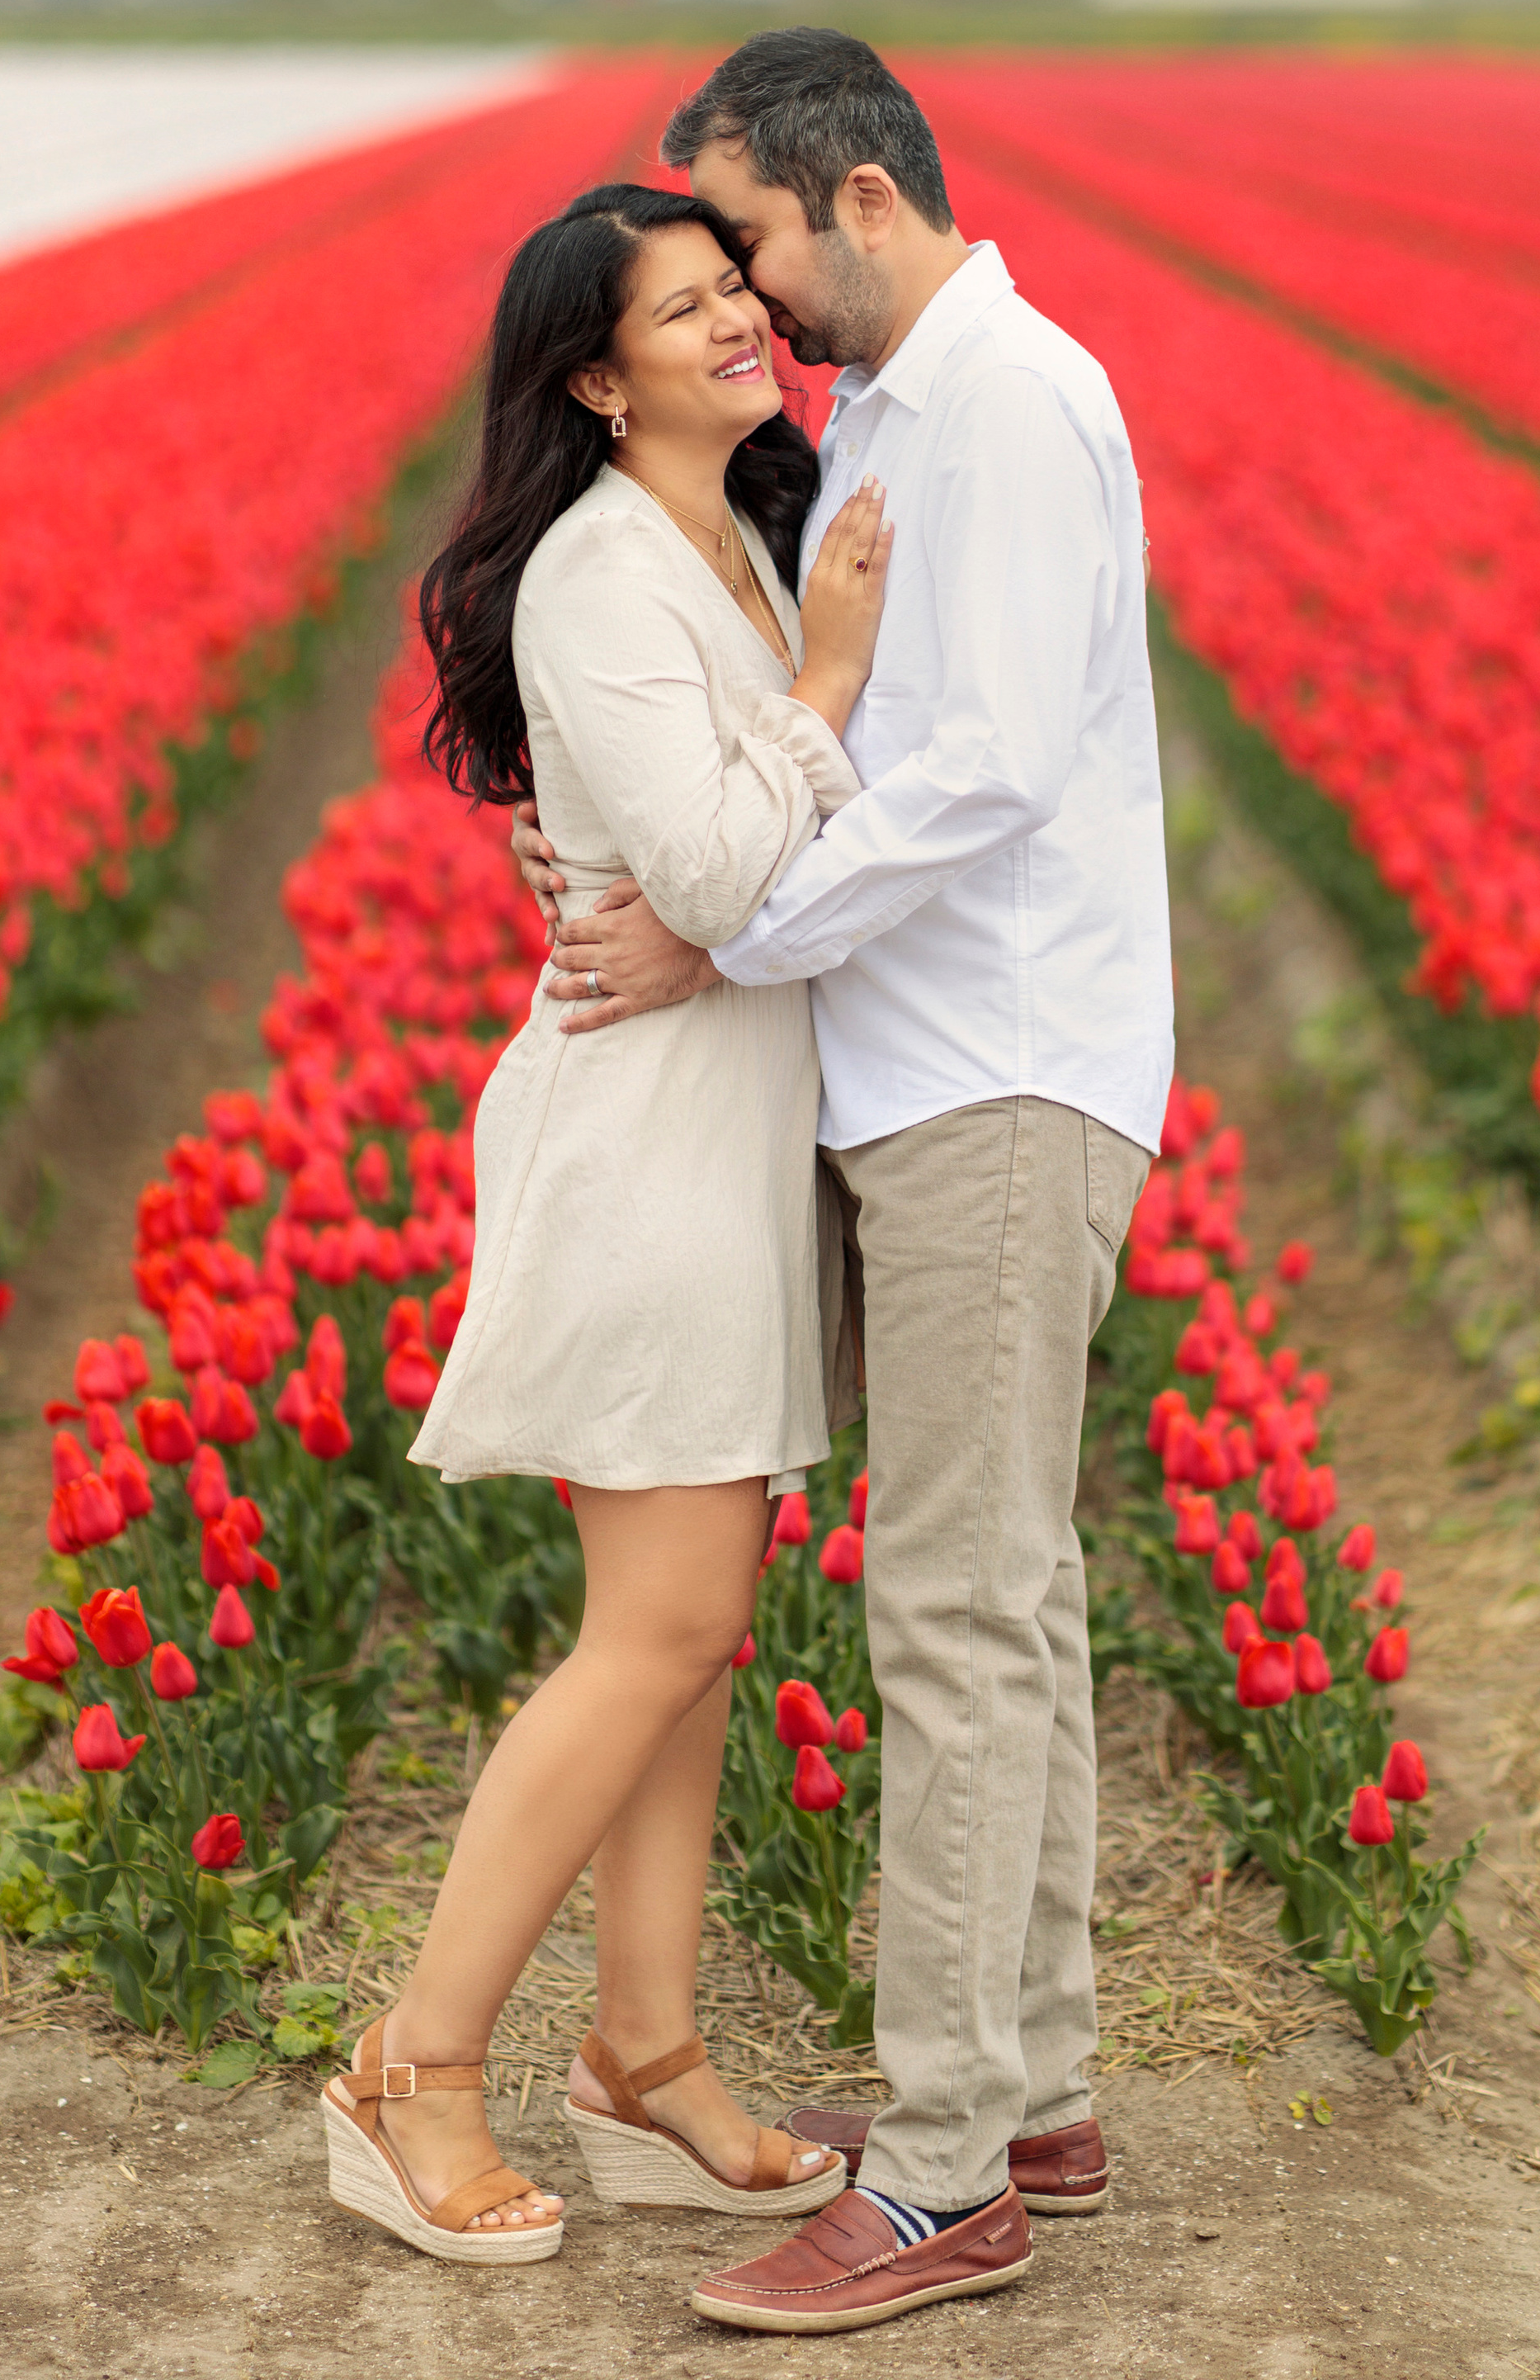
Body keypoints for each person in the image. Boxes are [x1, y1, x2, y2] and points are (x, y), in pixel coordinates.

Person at [520, 30, 1173, 2335]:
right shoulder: (899, 409)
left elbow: (981, 771)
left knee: (959, 1607)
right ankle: (1036, 2090)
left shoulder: (1004, 403)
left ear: (863, 191)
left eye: (761, 244)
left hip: (996, 1066)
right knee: (1013, 1592)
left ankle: (941, 2172)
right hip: (922, 1069)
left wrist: (723, 934)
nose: (757, 301)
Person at [320, 181, 894, 2266]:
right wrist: (826, 678)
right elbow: (740, 875)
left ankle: (642, 2053)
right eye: (684, 306)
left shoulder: (723, 529)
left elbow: (726, 874)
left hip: (732, 1141)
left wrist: (744, 821)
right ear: (592, 370)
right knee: (648, 1630)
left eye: (734, 285)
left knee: (696, 1639)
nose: (739, 318)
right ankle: (418, 2066)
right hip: (644, 1149)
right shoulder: (593, 575)